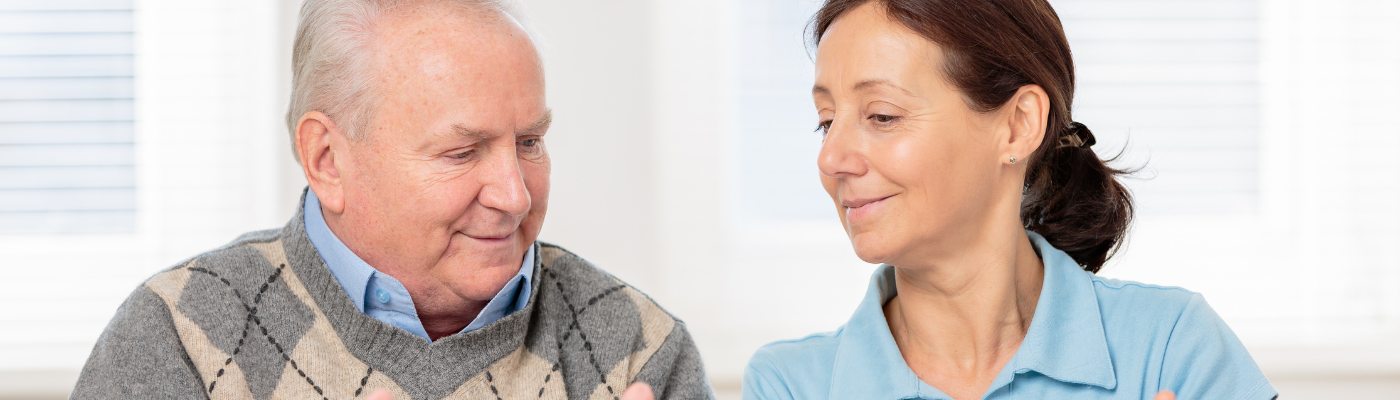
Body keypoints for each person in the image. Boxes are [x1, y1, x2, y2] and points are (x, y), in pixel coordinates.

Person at [70, 1, 712, 399]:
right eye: (461, 153)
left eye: (531, 141)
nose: (515, 196)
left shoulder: (640, 349)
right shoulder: (180, 334)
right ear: (328, 160)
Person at [742, 1, 1277, 399]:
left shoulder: (1171, 349)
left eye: (882, 115)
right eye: (826, 122)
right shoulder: (790, 385)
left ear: (1019, 126)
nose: (831, 159)